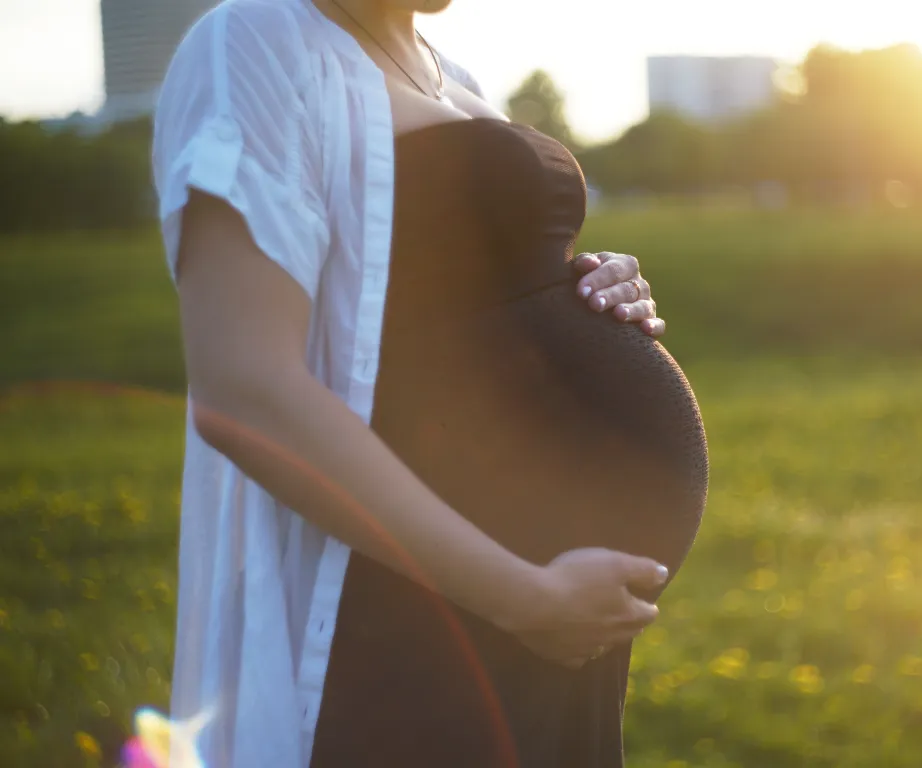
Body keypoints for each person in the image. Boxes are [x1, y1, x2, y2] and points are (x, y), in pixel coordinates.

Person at [151, 0, 709, 766]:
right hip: (433, 607)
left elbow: (441, 287)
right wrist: (522, 597)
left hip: (554, 624)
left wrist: (584, 284)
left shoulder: (451, 69)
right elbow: (246, 388)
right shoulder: (253, 39)